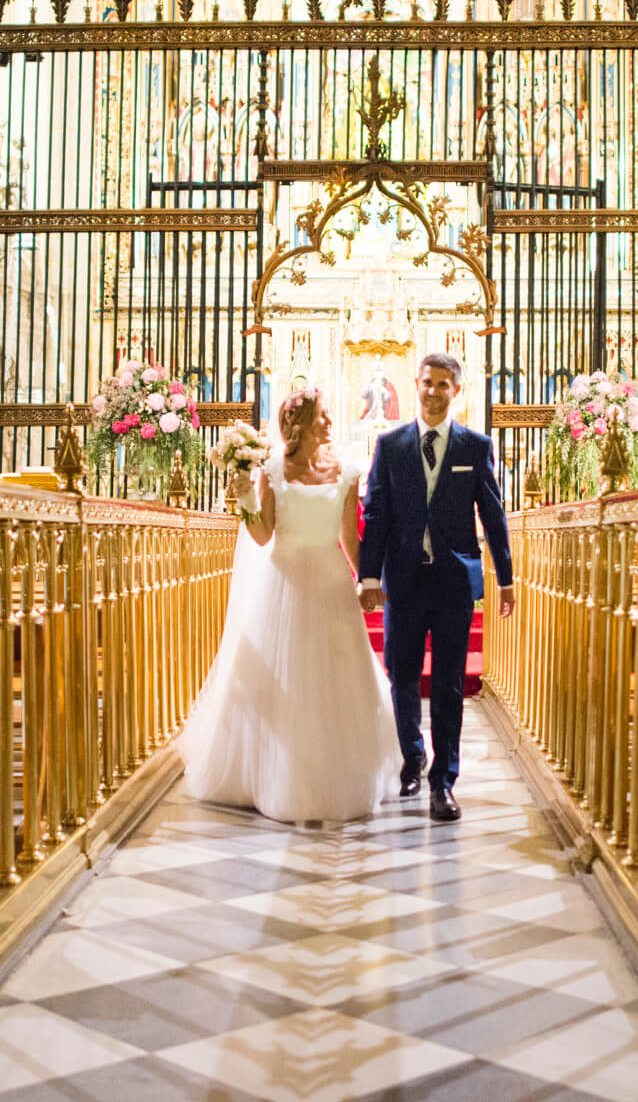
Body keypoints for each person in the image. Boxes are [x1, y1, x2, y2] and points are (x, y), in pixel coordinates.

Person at [171, 389, 401, 823]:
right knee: (287, 677)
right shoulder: (274, 470)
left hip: (331, 580)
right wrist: (244, 497)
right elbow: (262, 535)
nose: (331, 422)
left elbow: (350, 539)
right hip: (284, 581)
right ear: (302, 423)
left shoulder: (347, 472)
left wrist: (368, 580)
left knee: (332, 678)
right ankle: (276, 774)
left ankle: (337, 774)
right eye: (324, 415)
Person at [359, 353, 515, 823]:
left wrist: (504, 577)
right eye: (427, 382)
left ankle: (443, 782)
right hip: (403, 580)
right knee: (402, 676)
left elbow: (492, 514)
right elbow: (376, 514)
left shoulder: (474, 445)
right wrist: (369, 578)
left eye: (443, 384)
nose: (433, 391)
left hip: (452, 582)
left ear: (456, 391)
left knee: (448, 684)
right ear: (416, 385)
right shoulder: (391, 446)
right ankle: (412, 758)